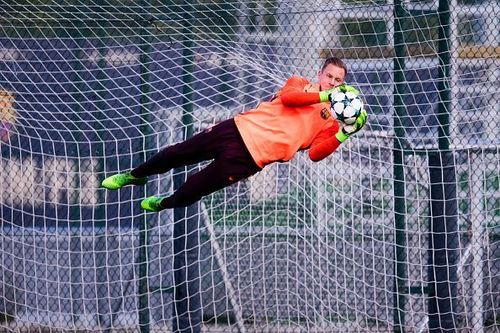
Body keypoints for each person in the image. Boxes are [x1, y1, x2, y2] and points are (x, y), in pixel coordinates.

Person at [102, 57, 367, 212]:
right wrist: (323, 95)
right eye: (329, 76)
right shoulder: (300, 84)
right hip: (235, 129)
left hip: (250, 159)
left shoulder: (331, 123)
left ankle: (165, 203)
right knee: (177, 153)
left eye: (337, 81)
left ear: (343, 85)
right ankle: (134, 175)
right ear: (320, 73)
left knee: (195, 188)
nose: (331, 83)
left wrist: (347, 132)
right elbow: (289, 99)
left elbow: (315, 155)